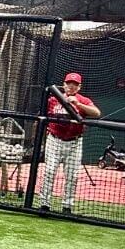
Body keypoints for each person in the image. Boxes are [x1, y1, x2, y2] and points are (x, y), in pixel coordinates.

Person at [39, 72, 101, 213]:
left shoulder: (83, 100)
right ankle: (44, 204)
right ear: (64, 84)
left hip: (74, 142)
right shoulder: (53, 99)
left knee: (72, 176)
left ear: (79, 87)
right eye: (69, 83)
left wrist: (78, 104)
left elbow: (97, 113)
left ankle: (67, 206)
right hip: (54, 140)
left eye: (75, 84)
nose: (71, 87)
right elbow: (43, 117)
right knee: (49, 172)